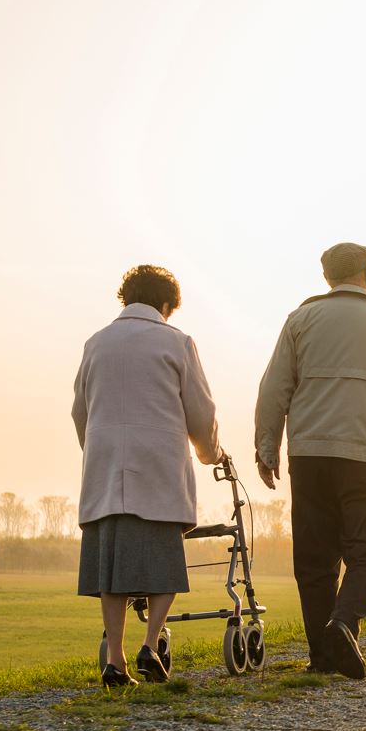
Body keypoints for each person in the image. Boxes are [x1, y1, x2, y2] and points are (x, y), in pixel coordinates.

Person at [254, 242, 366, 678]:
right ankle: (343, 624)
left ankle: (322, 655)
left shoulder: (300, 320)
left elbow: (273, 388)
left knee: (314, 559)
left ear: (328, 278)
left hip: (310, 455)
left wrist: (266, 447)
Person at [73, 265, 222, 687]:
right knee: (165, 563)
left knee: (112, 568)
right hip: (158, 467)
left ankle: (115, 659)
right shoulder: (177, 343)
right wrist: (210, 453)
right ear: (165, 304)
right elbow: (201, 410)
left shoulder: (95, 343)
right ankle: (151, 645)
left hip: (106, 471)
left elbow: (79, 411)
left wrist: (98, 450)